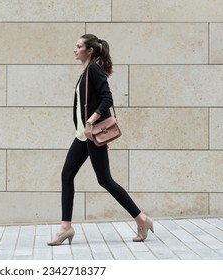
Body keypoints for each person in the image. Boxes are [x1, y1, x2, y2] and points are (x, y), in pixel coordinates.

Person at [47, 34, 153, 246]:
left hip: (92, 133)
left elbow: (107, 99)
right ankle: (65, 228)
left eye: (78, 46)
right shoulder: (86, 71)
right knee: (67, 174)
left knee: (104, 179)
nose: (74, 50)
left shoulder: (93, 70)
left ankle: (141, 218)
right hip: (82, 135)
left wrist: (90, 121)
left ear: (90, 50)